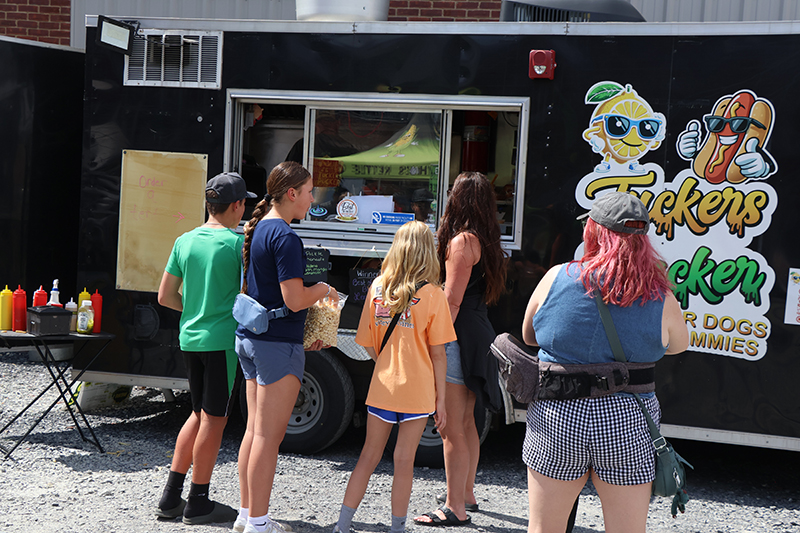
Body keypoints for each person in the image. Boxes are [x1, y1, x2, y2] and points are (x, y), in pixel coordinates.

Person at [520, 192, 689, 533]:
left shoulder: (556, 277)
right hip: (627, 419)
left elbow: (529, 335)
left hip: (558, 414)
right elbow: (677, 346)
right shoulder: (660, 295)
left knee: (544, 528)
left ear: (593, 232)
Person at [233, 161, 339, 533]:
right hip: (276, 344)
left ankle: (246, 516)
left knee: (254, 432)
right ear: (292, 193)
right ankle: (259, 524)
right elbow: (294, 299)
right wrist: (324, 289)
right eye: (309, 192)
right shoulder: (286, 236)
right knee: (267, 437)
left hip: (251, 338)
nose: (312, 200)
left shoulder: (260, 227)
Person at [333, 220, 455, 533]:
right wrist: (441, 400)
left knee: (368, 456)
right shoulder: (434, 294)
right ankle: (397, 528)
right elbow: (439, 355)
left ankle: (342, 526)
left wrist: (386, 362)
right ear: (427, 251)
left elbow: (367, 344)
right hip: (418, 389)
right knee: (404, 461)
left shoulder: (377, 287)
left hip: (383, 385)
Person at [155, 172, 256, 525]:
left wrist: (196, 310)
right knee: (214, 420)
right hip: (221, 342)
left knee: (198, 414)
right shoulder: (238, 244)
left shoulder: (184, 240)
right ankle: (198, 501)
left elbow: (165, 296)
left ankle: (171, 497)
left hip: (190, 338)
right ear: (237, 205)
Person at [414, 172, 506, 527]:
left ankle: (454, 507)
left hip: (457, 335)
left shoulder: (461, 241)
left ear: (458, 199)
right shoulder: (485, 239)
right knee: (466, 422)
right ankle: (466, 494)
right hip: (477, 333)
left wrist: (431, 339)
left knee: (451, 426)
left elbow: (451, 301)